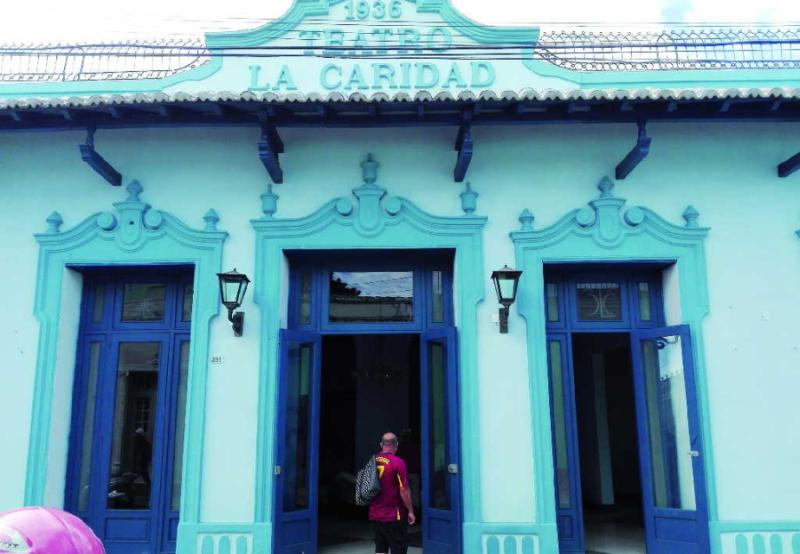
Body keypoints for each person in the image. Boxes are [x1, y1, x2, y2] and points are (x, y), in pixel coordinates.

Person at [369, 432, 416, 554]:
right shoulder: (398, 462)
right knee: (398, 548)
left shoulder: (372, 461)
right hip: (393, 516)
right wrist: (410, 511)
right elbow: (404, 490)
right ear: (396, 445)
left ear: (381, 444)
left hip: (375, 515)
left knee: (380, 547)